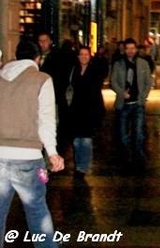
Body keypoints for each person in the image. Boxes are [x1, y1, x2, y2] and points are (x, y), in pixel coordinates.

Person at [0, 41, 65, 247]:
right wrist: (53, 153)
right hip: (28, 157)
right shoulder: (41, 79)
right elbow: (46, 120)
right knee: (37, 211)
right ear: (38, 58)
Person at [110, 38, 153, 167]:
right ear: (124, 49)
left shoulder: (143, 63)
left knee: (139, 133)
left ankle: (139, 157)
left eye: (132, 48)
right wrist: (121, 92)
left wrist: (143, 96)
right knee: (123, 134)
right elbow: (113, 82)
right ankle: (125, 156)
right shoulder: (118, 64)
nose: (130, 51)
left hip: (138, 104)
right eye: (128, 48)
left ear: (136, 49)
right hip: (123, 105)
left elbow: (148, 82)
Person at [66, 46, 108, 177]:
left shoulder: (95, 70)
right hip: (75, 109)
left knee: (86, 140)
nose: (84, 57)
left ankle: (83, 167)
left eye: (86, 54)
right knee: (76, 140)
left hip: (90, 110)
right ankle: (78, 164)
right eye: (81, 54)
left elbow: (96, 91)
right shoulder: (73, 70)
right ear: (78, 56)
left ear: (90, 57)